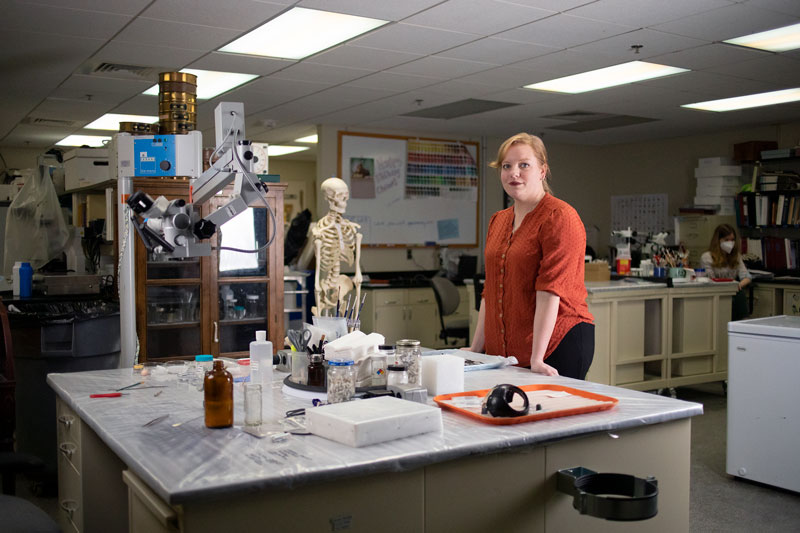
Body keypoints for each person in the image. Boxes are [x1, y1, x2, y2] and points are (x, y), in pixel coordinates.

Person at [466, 133, 594, 379]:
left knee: (552, 416)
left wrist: (537, 358)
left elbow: (550, 290)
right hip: (511, 349)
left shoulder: (559, 217)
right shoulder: (498, 220)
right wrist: (476, 348)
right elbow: (491, 291)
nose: (514, 172)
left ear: (542, 171)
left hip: (557, 344)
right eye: (507, 166)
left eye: (524, 165)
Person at [700, 224, 751, 320]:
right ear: (718, 240)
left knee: (739, 295)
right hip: (716, 293)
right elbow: (710, 280)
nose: (730, 243)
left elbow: (746, 276)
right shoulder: (707, 257)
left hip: (734, 292)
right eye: (726, 240)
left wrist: (739, 285)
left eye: (732, 240)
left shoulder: (736, 256)